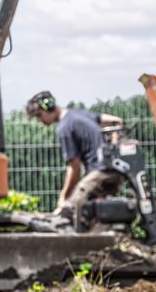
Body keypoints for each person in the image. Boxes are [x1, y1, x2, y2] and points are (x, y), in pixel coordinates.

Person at [26, 91, 123, 228]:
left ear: (50, 107)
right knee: (91, 213)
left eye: (39, 115)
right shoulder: (79, 114)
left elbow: (74, 167)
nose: (39, 121)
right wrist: (114, 150)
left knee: (69, 212)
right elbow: (116, 121)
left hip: (101, 173)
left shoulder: (64, 128)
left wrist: (63, 198)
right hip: (112, 172)